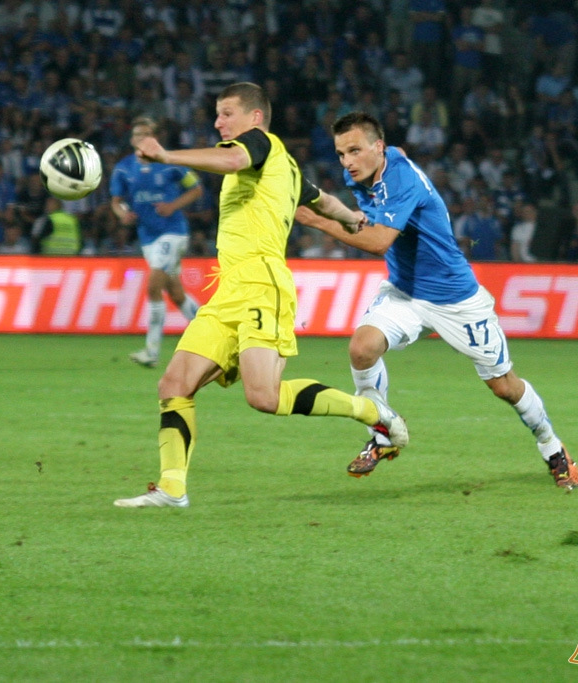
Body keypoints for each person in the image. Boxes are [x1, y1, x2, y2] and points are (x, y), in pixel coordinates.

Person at [113, 83, 408, 508]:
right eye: (216, 114)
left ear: (254, 118)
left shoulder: (260, 145)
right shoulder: (281, 166)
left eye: (226, 113)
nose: (218, 122)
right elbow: (320, 199)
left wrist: (166, 155)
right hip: (227, 289)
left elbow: (233, 157)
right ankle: (172, 489)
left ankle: (373, 412)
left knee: (264, 397)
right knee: (173, 383)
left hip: (261, 284)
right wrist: (353, 217)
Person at [296, 112, 578, 490]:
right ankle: (383, 433)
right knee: (362, 349)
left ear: (377, 147)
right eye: (341, 153)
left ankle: (552, 447)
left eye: (355, 150)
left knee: (504, 386)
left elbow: (379, 240)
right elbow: (369, 207)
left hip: (454, 297)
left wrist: (318, 221)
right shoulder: (365, 170)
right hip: (405, 290)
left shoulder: (403, 178)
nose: (347, 162)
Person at [110, 117, 205, 369]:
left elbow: (196, 189)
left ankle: (151, 352)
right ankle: (215, 334)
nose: (142, 138)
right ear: (132, 140)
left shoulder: (170, 163)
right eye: (137, 134)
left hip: (173, 233)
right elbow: (116, 201)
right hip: (148, 237)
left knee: (153, 288)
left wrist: (173, 205)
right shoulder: (123, 168)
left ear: (155, 138)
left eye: (147, 134)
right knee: (175, 293)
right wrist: (123, 214)